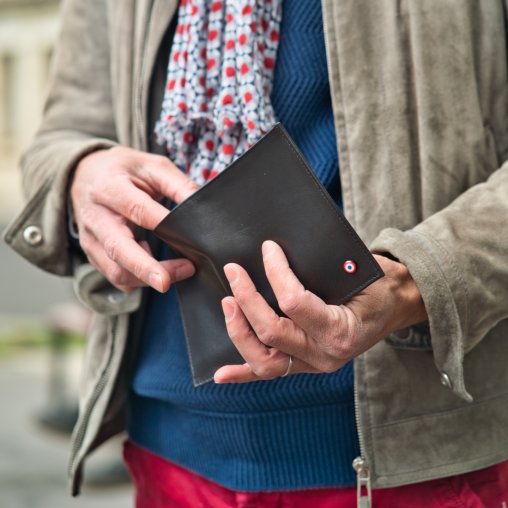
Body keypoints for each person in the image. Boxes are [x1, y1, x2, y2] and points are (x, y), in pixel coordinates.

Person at [4, 0, 508, 506]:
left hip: (413, 459)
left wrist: (413, 280)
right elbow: (64, 132)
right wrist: (81, 173)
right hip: (168, 447)